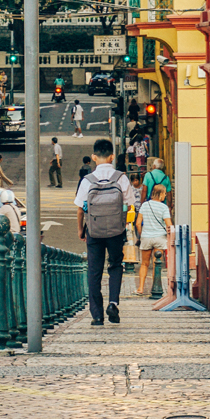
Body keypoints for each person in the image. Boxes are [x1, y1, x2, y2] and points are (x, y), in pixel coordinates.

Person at [75, 137, 135, 326]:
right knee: (116, 265)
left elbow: (79, 209)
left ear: (94, 157)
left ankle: (97, 315)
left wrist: (81, 230)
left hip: (94, 231)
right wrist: (122, 221)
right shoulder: (121, 178)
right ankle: (113, 303)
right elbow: (129, 205)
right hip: (116, 231)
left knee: (94, 271)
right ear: (111, 157)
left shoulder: (87, 181)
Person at [135, 183, 172, 295]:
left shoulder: (145, 205)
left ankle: (140, 288)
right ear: (160, 194)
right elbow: (169, 225)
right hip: (160, 238)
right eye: (164, 194)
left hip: (146, 237)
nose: (165, 196)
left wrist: (142, 234)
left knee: (144, 264)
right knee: (157, 264)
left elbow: (138, 223)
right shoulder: (164, 207)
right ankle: (155, 288)